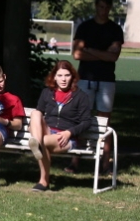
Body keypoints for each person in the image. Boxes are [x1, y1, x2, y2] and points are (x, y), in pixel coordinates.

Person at [70, 0, 122, 171]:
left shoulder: (115, 29)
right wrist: (102, 54)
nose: (104, 10)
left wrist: (90, 50)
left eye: (107, 7)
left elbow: (113, 57)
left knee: (105, 122)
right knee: (81, 119)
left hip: (107, 81)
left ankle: (105, 163)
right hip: (85, 79)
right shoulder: (85, 27)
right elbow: (77, 54)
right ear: (96, 6)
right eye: (101, 7)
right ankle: (75, 160)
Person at [28, 61, 93, 192]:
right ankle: (37, 143)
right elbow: (39, 113)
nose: (63, 79)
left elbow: (86, 122)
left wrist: (69, 132)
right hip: (47, 131)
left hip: (66, 138)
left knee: (44, 142)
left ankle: (43, 180)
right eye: (60, 75)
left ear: (72, 77)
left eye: (67, 75)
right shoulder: (47, 92)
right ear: (54, 77)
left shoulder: (81, 96)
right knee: (35, 113)